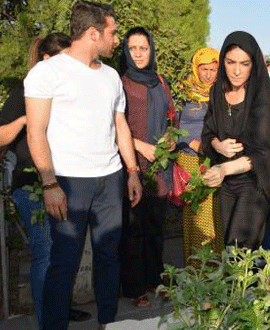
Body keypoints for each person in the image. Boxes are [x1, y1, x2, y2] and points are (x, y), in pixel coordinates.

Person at [24, 1, 142, 329]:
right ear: (93, 33)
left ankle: (109, 324)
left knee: (109, 259)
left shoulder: (111, 76)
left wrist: (132, 172)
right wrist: (49, 184)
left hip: (110, 179)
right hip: (69, 183)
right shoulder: (46, 73)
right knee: (64, 264)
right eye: (113, 32)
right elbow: (36, 132)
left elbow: (120, 125)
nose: (116, 39)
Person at [0, 32, 93, 328]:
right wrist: (27, 120)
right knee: (46, 252)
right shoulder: (25, 90)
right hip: (32, 186)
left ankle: (58, 308)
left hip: (66, 182)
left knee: (64, 252)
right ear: (46, 60)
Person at [201, 31, 270, 250]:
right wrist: (218, 145)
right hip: (226, 183)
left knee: (240, 249)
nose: (236, 71)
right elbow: (207, 132)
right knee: (227, 246)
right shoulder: (217, 92)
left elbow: (262, 154)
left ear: (254, 64)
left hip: (254, 182)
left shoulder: (263, 96)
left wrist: (224, 168)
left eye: (244, 64)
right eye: (230, 62)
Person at [118, 26, 175, 307]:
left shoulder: (161, 82)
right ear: (126, 52)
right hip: (132, 165)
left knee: (155, 227)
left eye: (144, 48)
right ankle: (134, 287)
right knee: (134, 229)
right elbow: (113, 126)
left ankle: (155, 279)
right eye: (133, 48)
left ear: (151, 50)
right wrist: (142, 148)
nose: (139, 53)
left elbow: (171, 116)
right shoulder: (120, 82)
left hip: (159, 166)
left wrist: (169, 138)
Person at [176, 47, 222, 264]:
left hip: (215, 158)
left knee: (215, 214)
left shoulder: (221, 91)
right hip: (189, 159)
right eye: (204, 69)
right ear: (196, 68)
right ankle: (196, 268)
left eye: (213, 69)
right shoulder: (182, 92)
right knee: (196, 214)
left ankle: (215, 267)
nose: (208, 74)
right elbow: (170, 128)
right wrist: (192, 142)